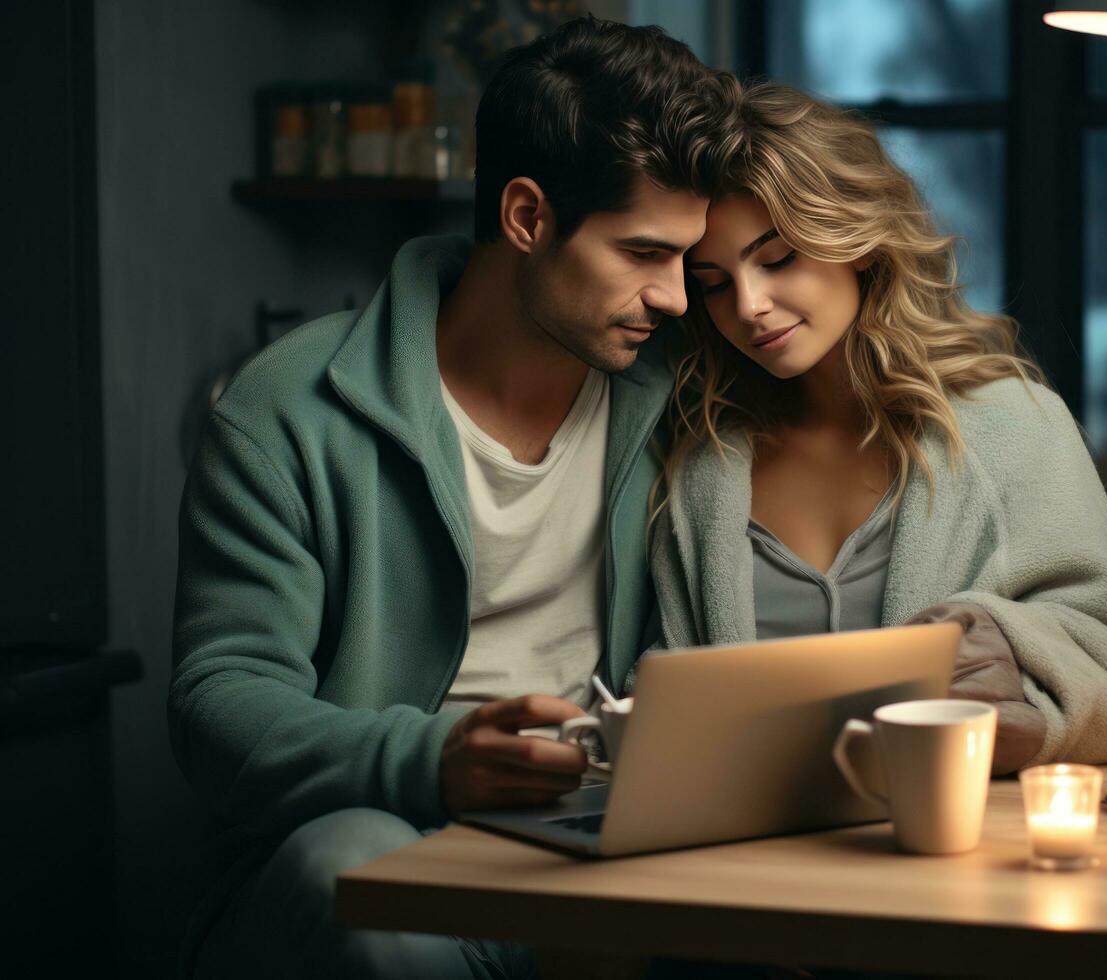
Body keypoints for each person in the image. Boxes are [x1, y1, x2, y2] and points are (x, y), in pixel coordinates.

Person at [169, 17, 739, 979]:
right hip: (383, 843)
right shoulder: (289, 409)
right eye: (642, 253)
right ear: (526, 218)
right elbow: (217, 705)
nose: (677, 297)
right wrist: (431, 760)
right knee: (347, 866)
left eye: (687, 258)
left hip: (607, 857)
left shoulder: (683, 390)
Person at [651, 82, 1107, 772]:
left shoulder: (1010, 425)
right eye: (712, 282)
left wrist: (1004, 658)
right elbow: (652, 691)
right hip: (735, 856)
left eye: (777, 260)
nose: (748, 306)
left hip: (956, 847)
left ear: (857, 243)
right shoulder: (696, 460)